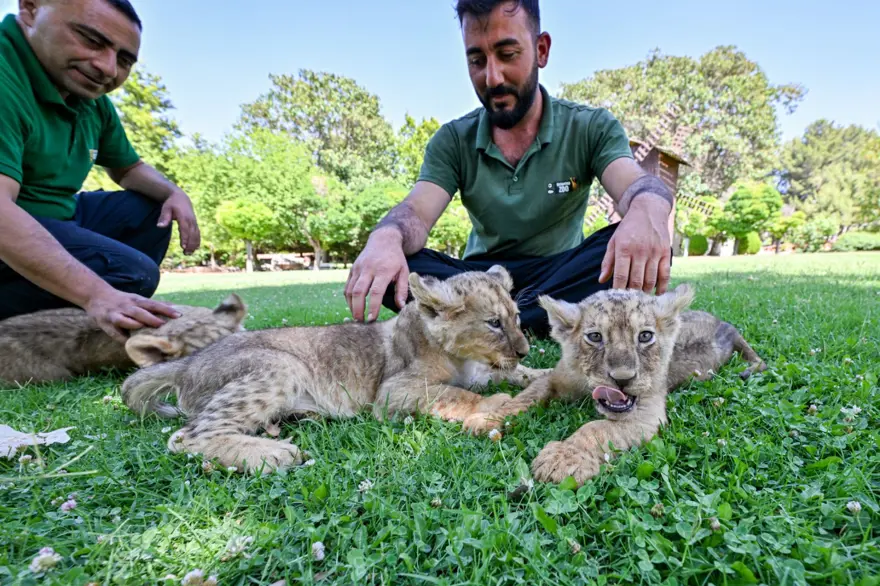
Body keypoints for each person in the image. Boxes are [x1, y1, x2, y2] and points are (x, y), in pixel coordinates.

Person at [344, 0, 675, 338]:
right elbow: (416, 211)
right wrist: (385, 237)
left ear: (541, 50)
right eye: (476, 60)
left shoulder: (591, 127)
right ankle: (537, 315)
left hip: (562, 270)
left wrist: (646, 209)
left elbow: (637, 184)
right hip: (482, 277)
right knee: (397, 265)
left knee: (619, 248)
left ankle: (493, 320)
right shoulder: (452, 140)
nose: (492, 77)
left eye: (507, 54)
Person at [0, 0, 201, 343]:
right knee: (133, 273)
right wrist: (97, 293)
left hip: (60, 217)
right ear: (30, 9)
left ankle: (101, 311)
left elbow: (128, 168)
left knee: (151, 211)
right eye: (91, 40)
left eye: (124, 60)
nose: (108, 69)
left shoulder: (90, 101)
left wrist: (174, 193)